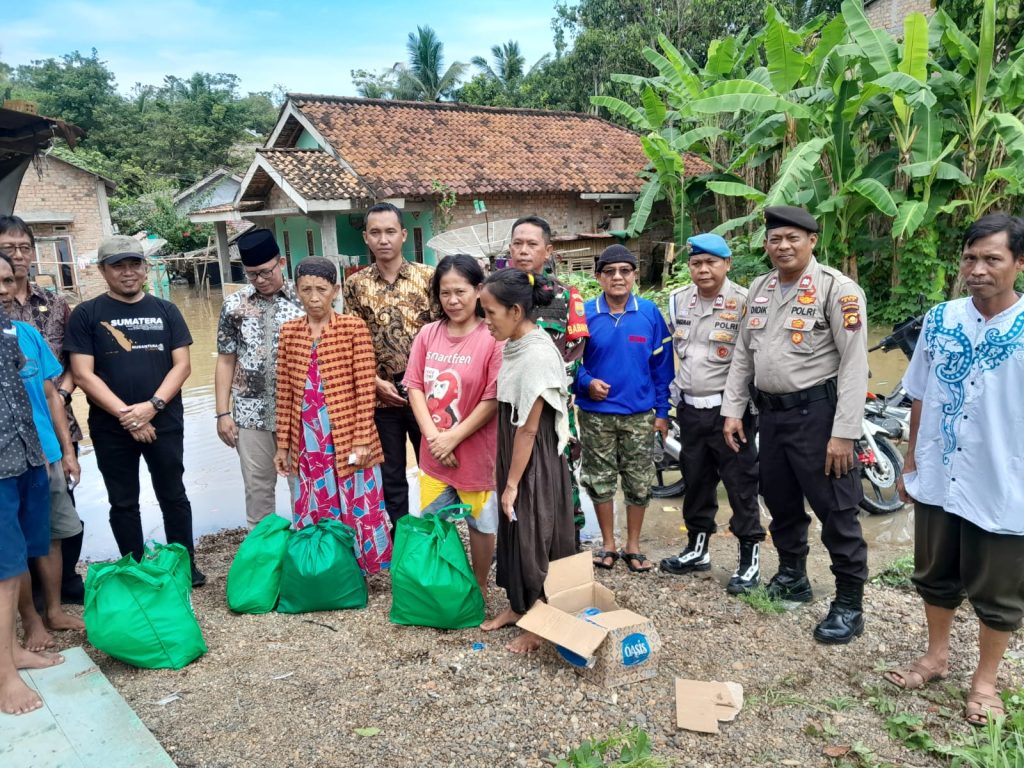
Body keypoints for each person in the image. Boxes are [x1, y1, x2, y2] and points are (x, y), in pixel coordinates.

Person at [884, 214, 1024, 726]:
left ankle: (985, 681)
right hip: (941, 476)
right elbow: (919, 393)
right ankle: (936, 656)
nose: (978, 269)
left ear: (1019, 263)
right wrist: (911, 462)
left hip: (1005, 482)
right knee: (935, 574)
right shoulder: (941, 319)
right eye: (970, 258)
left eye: (992, 258)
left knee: (999, 591)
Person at [722, 205, 869, 644]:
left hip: (820, 418)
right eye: (775, 239)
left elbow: (855, 365)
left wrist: (844, 432)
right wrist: (733, 409)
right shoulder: (761, 287)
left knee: (836, 509)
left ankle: (848, 602)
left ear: (812, 241)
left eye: (792, 238)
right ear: (765, 245)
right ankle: (792, 576)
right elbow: (743, 354)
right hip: (772, 415)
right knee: (781, 500)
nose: (782, 246)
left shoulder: (837, 291)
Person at [65, 235, 205, 587]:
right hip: (112, 426)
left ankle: (183, 564)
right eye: (118, 266)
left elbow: (182, 366)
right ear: (103, 271)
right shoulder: (87, 314)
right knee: (123, 501)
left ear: (145, 268)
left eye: (134, 264)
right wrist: (128, 416)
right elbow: (83, 373)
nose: (128, 273)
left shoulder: (167, 310)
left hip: (164, 420)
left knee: (173, 494)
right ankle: (135, 567)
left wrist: (152, 407)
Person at [659, 234, 765, 593]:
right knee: (697, 482)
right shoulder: (677, 302)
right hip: (690, 409)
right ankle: (697, 550)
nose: (703, 270)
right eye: (696, 263)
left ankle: (749, 562)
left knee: (740, 486)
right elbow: (669, 353)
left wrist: (736, 410)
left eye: (711, 263)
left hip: (730, 413)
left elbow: (752, 360)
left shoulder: (746, 301)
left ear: (728, 264)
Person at [478, 269, 575, 653]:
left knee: (536, 534)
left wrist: (513, 483)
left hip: (533, 464)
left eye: (490, 313)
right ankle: (519, 607)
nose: (485, 322)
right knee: (515, 533)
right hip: (514, 452)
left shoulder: (537, 353)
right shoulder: (513, 345)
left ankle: (543, 623)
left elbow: (529, 430)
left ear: (516, 311)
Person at [275, 257, 391, 574]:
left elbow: (366, 389)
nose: (314, 297)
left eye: (321, 290)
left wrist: (362, 440)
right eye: (306, 289)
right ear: (295, 291)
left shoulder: (353, 328)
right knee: (315, 499)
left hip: (347, 434)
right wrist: (283, 446)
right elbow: (284, 392)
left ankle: (367, 566)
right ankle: (325, 567)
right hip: (309, 439)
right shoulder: (289, 333)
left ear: (335, 291)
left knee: (358, 498)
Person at [404, 255, 503, 597]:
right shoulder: (428, 334)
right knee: (432, 521)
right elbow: (414, 385)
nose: (453, 300)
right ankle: (436, 583)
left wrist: (454, 438)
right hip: (433, 456)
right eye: (445, 293)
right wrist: (433, 439)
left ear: (479, 291)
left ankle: (479, 587)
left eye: (460, 291)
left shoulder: (492, 337)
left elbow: (492, 399)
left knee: (481, 525)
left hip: (476, 454)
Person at [0, 253, 83, 651]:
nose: (5, 290)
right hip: (5, 461)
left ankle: (52, 610)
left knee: (51, 535)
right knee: (11, 546)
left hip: (44, 453)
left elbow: (52, 394)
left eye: (8, 281)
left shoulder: (26, 334)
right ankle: (30, 622)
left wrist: (67, 450)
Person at [574, 245, 673, 574]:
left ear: (634, 275)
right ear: (599, 277)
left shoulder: (649, 313)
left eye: (625, 271)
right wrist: (586, 381)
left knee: (639, 480)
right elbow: (570, 363)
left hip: (640, 414)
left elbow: (662, 369)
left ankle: (633, 544)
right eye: (610, 271)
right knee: (599, 479)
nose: (618, 277)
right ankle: (608, 544)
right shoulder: (586, 314)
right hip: (595, 415)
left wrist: (662, 413)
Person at [343, 202, 437, 526]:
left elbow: (444, 335)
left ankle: (433, 539)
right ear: (366, 238)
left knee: (433, 470)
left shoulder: (429, 278)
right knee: (391, 475)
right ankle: (402, 545)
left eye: (390, 232)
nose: (384, 239)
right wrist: (372, 381)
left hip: (425, 394)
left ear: (403, 235)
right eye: (376, 232)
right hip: (382, 397)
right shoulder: (356, 285)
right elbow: (353, 341)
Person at [215, 228, 304, 529]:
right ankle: (263, 563)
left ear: (281, 263)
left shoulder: (306, 300)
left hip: (298, 414)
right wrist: (222, 412)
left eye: (266, 272)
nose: (260, 280)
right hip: (250, 415)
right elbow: (226, 360)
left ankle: (306, 559)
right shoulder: (233, 305)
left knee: (302, 488)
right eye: (252, 275)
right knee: (257, 491)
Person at [508, 216, 589, 545]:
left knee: (561, 472)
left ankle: (567, 539)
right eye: (518, 243)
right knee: (512, 473)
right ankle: (516, 540)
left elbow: (574, 353)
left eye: (532, 244)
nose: (524, 250)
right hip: (508, 405)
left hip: (555, 406)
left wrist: (546, 391)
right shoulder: (496, 292)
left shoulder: (566, 297)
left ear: (548, 250)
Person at [0, 302, 64, 716]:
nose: (4, 290)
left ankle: (15, 653)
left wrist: (45, 451)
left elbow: (37, 395)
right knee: (4, 575)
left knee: (19, 559)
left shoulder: (12, 333)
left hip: (26, 457)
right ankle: (5, 676)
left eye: (5, 282)